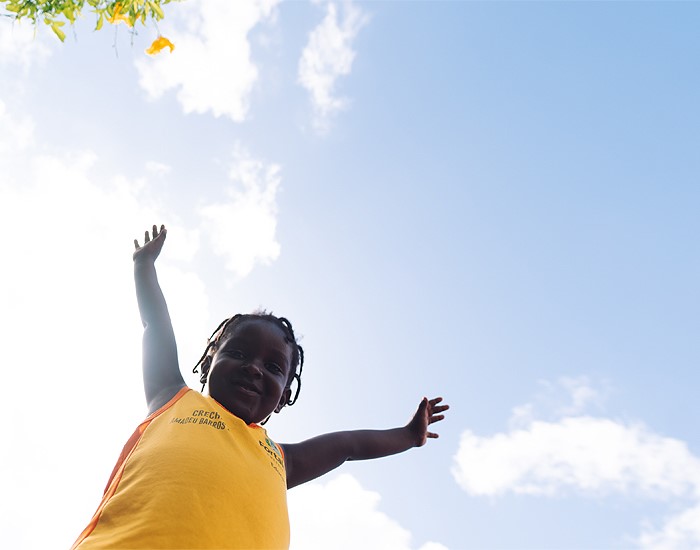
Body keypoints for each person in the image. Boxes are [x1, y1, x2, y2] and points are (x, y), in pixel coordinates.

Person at [72, 224, 449, 550]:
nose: (253, 368)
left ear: (285, 394)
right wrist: (144, 267)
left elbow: (349, 445)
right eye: (238, 353)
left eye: (272, 367)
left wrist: (408, 435)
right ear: (208, 363)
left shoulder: (279, 459)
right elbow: (156, 328)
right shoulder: (172, 398)